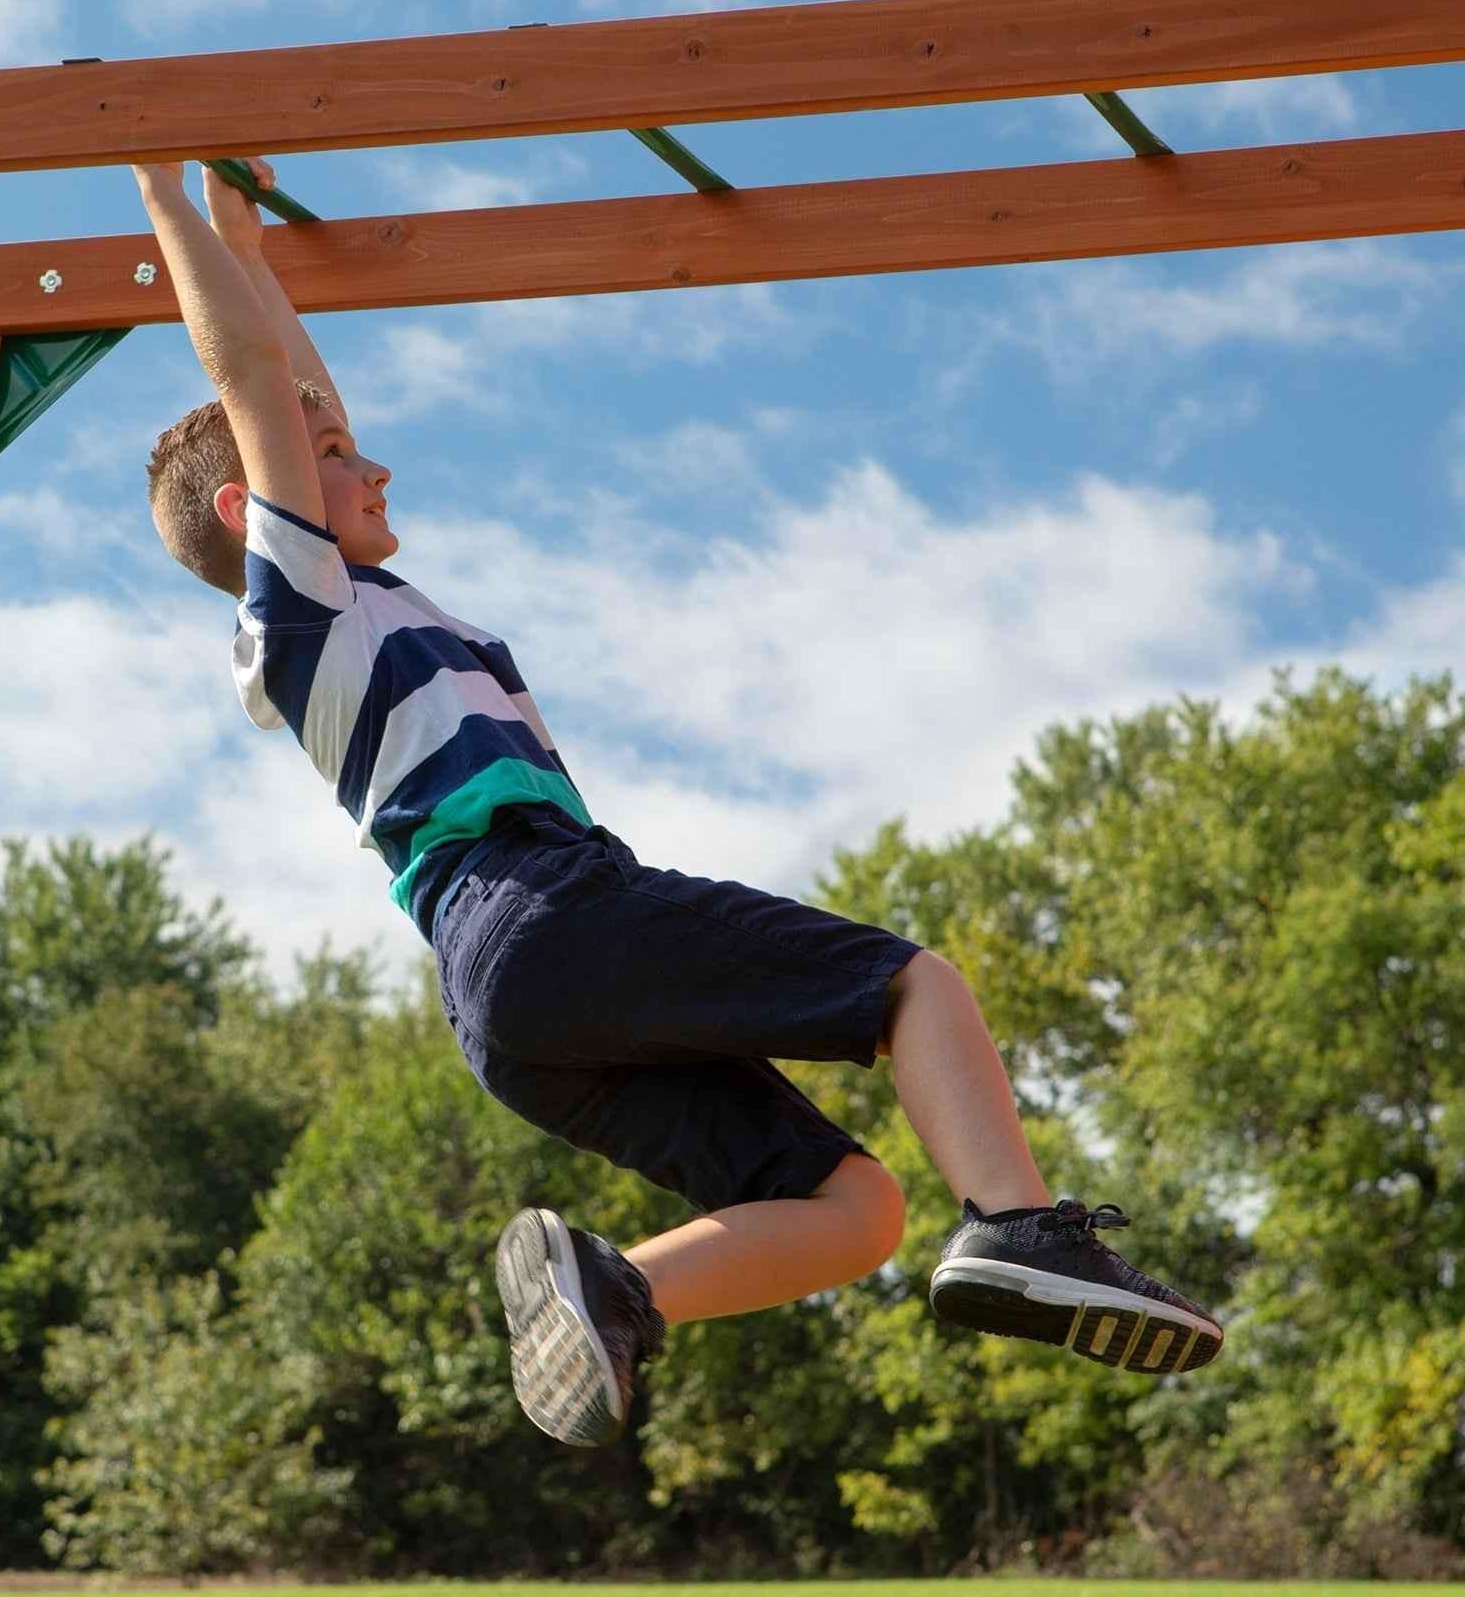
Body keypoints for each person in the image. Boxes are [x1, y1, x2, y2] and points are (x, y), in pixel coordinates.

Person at [135, 157, 1224, 1450]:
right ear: (253, 508)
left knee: (856, 1209)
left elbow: (290, 383)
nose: (370, 462)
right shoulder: (301, 604)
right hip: (539, 906)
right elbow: (256, 383)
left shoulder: (358, 609)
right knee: (914, 989)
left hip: (509, 1010)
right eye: (330, 457)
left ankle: (615, 1290)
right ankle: (1019, 1227)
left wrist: (246, 231)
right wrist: (160, 178)